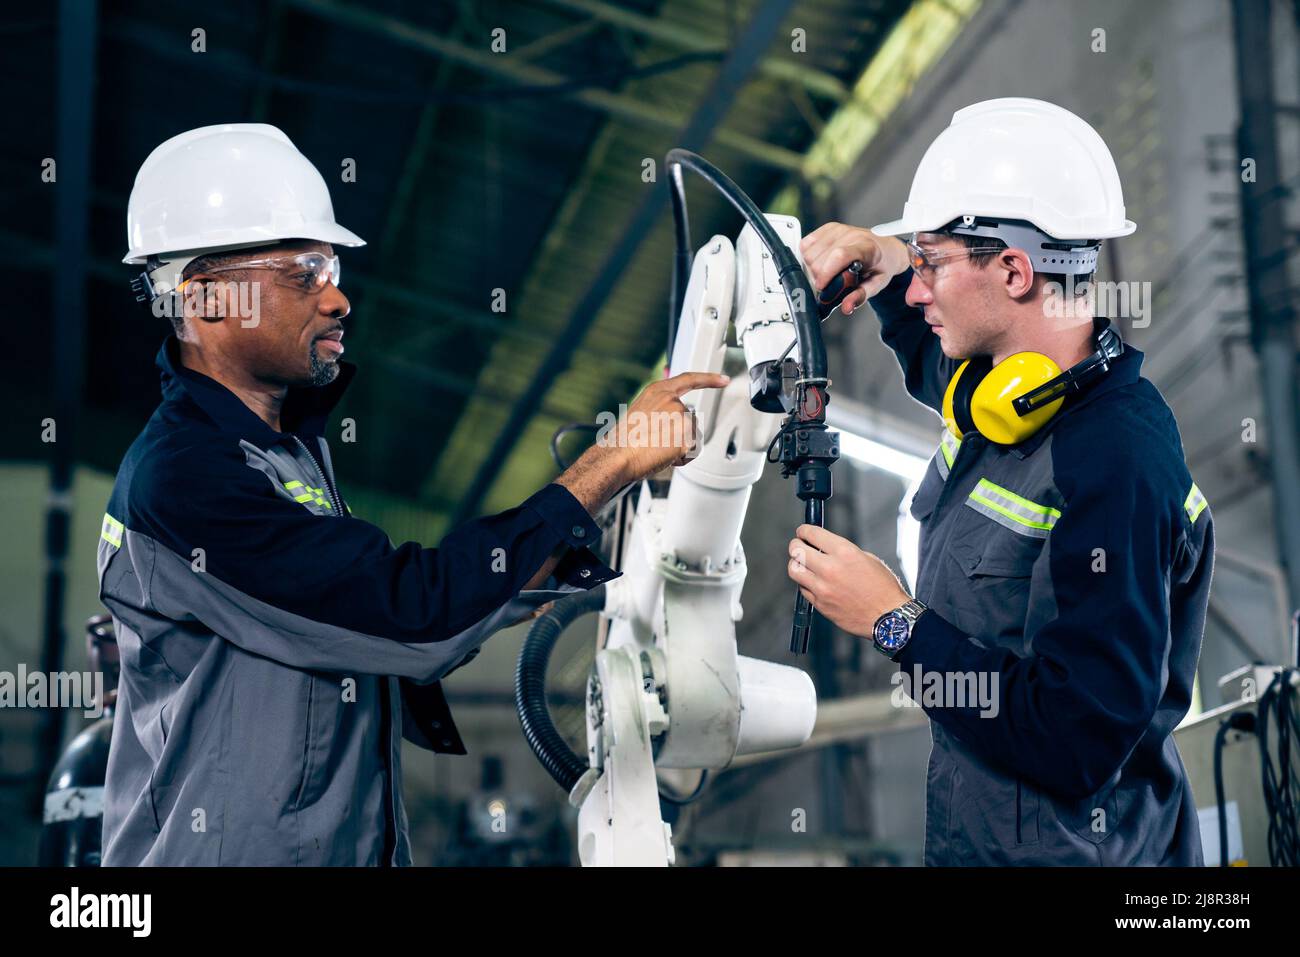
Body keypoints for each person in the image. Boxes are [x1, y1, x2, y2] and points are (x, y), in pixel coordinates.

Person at [100, 124, 727, 865]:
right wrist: (608, 462)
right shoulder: (185, 477)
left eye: (331, 266)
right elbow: (412, 616)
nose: (338, 298)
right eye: (304, 271)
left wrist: (570, 534)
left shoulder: (287, 454)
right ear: (207, 299)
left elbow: (374, 620)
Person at [788, 99, 1212, 864]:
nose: (916, 292)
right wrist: (886, 257)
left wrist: (894, 620)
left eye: (932, 265)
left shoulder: (1117, 458)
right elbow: (934, 351)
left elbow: (1074, 739)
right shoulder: (1009, 400)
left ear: (1014, 270)